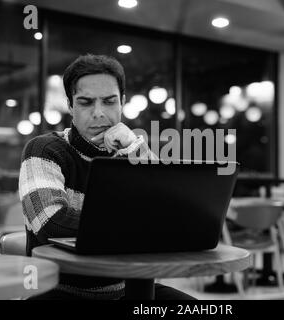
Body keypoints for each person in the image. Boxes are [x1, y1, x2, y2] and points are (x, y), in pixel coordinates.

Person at [19, 54, 194, 300]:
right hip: (59, 291)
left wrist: (133, 147)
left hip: (127, 288)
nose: (99, 113)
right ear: (70, 105)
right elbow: (52, 223)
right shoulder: (43, 150)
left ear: (122, 102)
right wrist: (138, 226)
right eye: (86, 102)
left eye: (109, 101)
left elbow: (169, 208)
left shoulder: (130, 150)